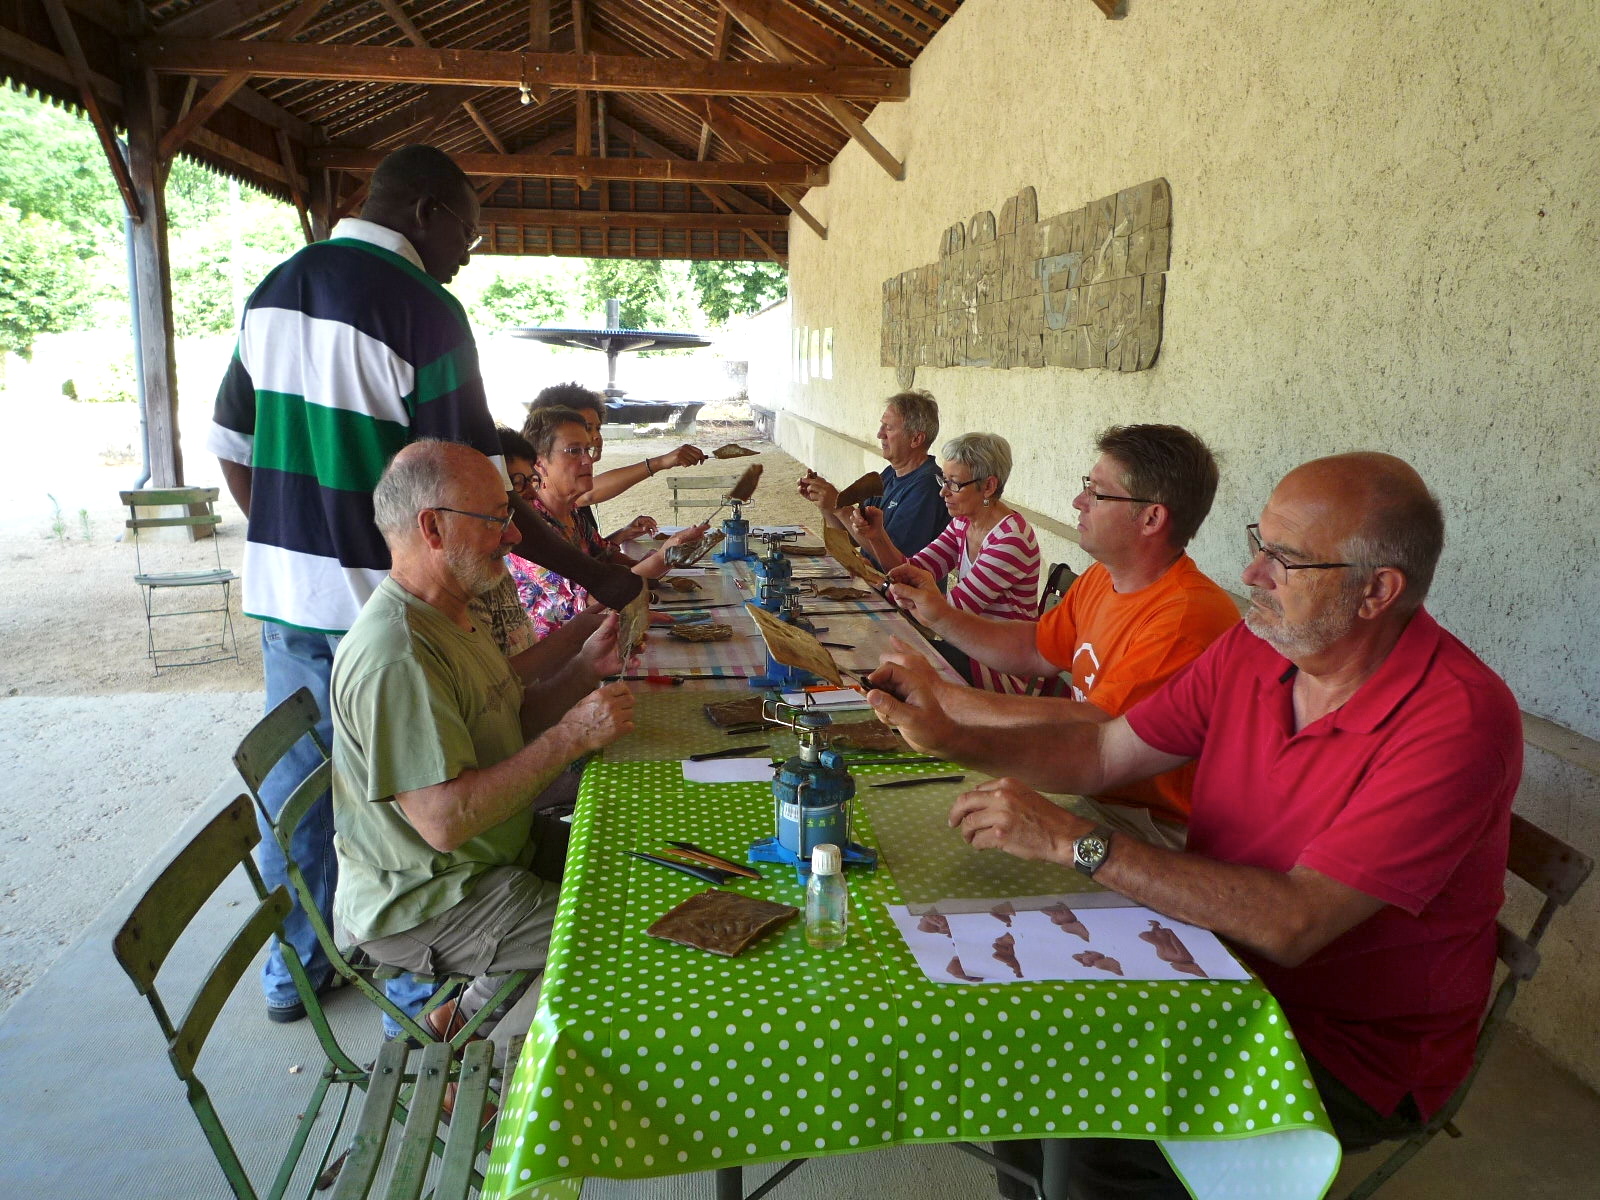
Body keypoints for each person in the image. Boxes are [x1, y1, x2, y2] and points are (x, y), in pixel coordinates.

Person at [867, 452, 1523, 1198]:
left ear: (1377, 591)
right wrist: (955, 740)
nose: (1251, 575)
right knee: (1022, 1041)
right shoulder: (1260, 646)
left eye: (1285, 560)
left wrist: (1071, 841)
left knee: (1093, 1132)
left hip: (1339, 1044)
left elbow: (1294, 923)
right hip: (1203, 960)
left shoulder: (1455, 719)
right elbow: (1106, 750)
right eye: (1257, 543)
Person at [206, 143, 638, 1025]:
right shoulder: (426, 311)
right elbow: (486, 499)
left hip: (289, 597)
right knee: (424, 797)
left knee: (305, 798)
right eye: (468, 237)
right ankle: (424, 976)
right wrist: (596, 573)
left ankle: (299, 972)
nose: (466, 257)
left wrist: (296, 538)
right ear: (428, 213)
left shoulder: (274, 289)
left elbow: (232, 445)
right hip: (390, 598)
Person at [331, 441, 635, 1046]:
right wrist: (574, 734)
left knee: (637, 856)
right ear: (432, 528)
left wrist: (580, 672)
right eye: (497, 520)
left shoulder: (448, 613)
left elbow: (507, 717)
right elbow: (445, 821)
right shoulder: (398, 655)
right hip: (430, 894)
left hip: (490, 853)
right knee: (624, 941)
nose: (515, 537)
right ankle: (488, 1071)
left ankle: (461, 1020)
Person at [885, 424, 1238, 825]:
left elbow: (1099, 742)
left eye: (1097, 493)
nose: (1077, 501)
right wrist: (941, 617)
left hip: (1143, 823)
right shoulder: (1103, 578)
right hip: (1085, 788)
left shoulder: (1184, 617)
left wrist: (946, 706)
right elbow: (1036, 648)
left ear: (1152, 518)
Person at [843, 432, 1039, 693]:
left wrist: (899, 591)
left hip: (1004, 669)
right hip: (970, 649)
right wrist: (877, 537)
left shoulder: (1010, 540)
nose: (943, 491)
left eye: (954, 484)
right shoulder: (964, 521)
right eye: (943, 480)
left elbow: (949, 615)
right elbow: (914, 569)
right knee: (882, 654)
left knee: (894, 667)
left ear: (989, 486)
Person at [508, 406, 707, 639]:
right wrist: (664, 556)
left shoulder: (571, 514)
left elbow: (611, 561)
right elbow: (590, 601)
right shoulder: (529, 529)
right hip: (556, 660)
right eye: (574, 451)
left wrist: (668, 556)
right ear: (539, 464)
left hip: (592, 644)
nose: (588, 460)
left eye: (587, 450)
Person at [527, 381, 707, 548]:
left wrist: (623, 534)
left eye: (598, 428)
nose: (596, 436)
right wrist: (659, 463)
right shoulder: (540, 514)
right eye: (586, 427)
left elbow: (593, 557)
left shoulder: (573, 513)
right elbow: (588, 495)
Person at [797, 389, 950, 561]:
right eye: (882, 425)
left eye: (889, 428)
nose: (880, 434)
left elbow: (894, 559)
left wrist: (839, 506)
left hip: (897, 586)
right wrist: (825, 503)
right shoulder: (890, 474)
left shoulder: (927, 486)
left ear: (916, 439)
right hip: (873, 581)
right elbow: (853, 538)